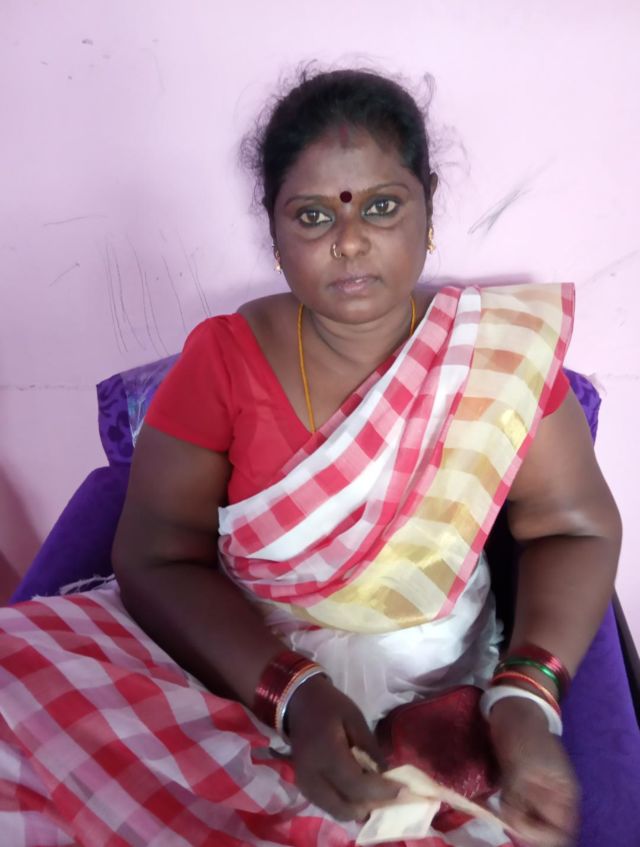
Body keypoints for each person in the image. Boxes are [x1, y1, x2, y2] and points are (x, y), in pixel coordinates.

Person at [0, 68, 621, 847]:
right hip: (237, 667)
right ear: (274, 230)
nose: (350, 240)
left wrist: (526, 697)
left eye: (382, 206)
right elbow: (156, 553)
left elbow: (575, 527)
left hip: (432, 695)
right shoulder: (223, 360)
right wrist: (292, 692)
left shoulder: (496, 356)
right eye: (314, 215)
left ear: (428, 208)